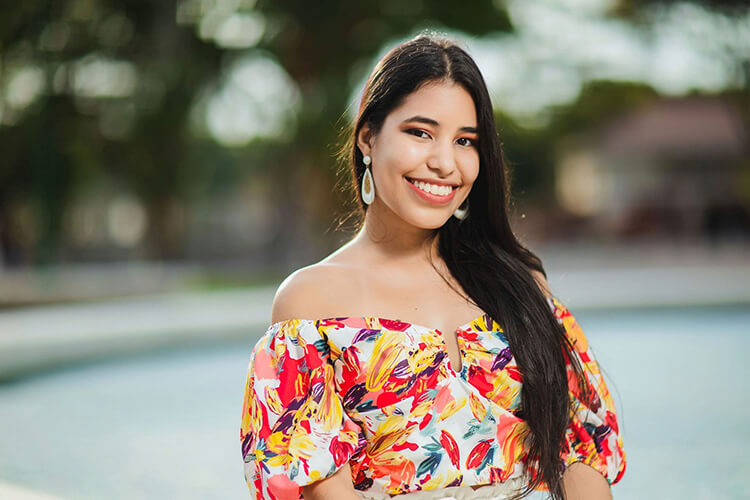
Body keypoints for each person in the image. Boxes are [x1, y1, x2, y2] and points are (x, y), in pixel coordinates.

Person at [240, 33, 626, 500]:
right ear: (368, 137)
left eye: (465, 141)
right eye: (420, 132)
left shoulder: (519, 284)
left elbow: (579, 451)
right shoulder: (310, 303)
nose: (445, 163)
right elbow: (312, 479)